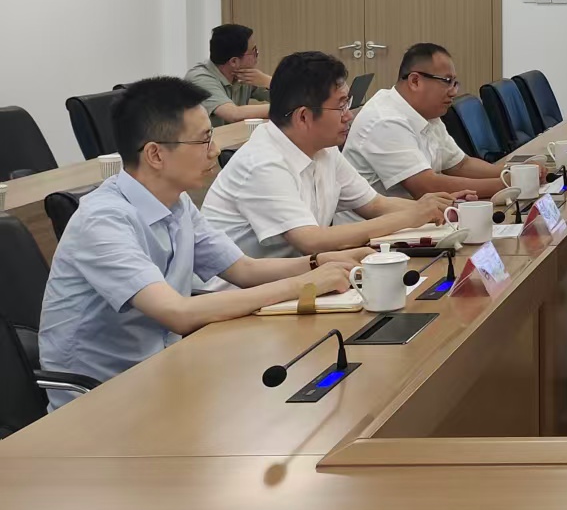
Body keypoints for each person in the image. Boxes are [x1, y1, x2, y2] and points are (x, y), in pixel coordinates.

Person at [36, 77, 360, 408]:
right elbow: (177, 313)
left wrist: (319, 262)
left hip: (165, 372)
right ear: (155, 154)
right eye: (204, 140)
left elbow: (243, 269)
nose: (215, 150)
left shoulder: (176, 203)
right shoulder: (103, 221)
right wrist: (305, 284)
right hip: (100, 399)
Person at [201, 51, 458, 259]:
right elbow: (311, 240)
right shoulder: (263, 162)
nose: (349, 116)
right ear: (304, 117)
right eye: (341, 106)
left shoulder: (324, 149)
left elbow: (375, 205)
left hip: (297, 278)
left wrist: (439, 208)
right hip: (235, 295)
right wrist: (409, 216)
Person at [345, 43, 507, 199]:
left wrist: (510, 172)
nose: (453, 92)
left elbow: (460, 165)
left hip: (414, 213)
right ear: (415, 81)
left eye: (454, 83)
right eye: (447, 81)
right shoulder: (385, 121)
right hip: (384, 218)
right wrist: (507, 184)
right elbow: (427, 187)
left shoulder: (427, 112)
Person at [184, 23, 272, 124]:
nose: (257, 56)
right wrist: (280, 110)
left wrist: (269, 81)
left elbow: (286, 99)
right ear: (234, 61)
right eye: (254, 52)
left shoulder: (243, 76)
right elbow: (234, 114)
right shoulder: (200, 79)